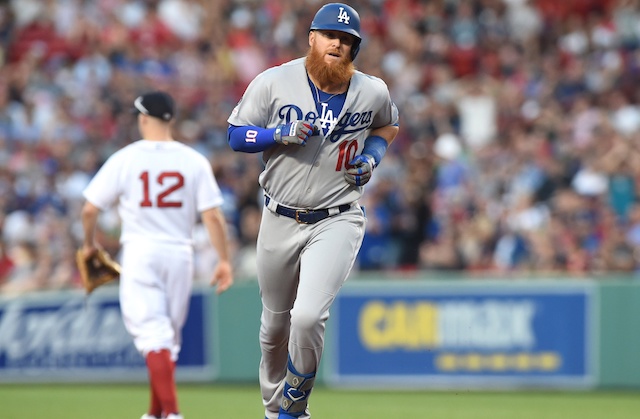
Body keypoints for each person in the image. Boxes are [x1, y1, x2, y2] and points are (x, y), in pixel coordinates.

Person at [227, 3, 399, 418]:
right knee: (273, 329)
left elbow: (387, 125)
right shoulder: (274, 81)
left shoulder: (371, 90)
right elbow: (235, 134)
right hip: (280, 216)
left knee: (306, 318)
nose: (337, 44)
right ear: (312, 38)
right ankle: (275, 411)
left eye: (346, 40)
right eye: (329, 36)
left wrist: (372, 159)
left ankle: (293, 408)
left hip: (337, 216)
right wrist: (276, 133)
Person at [79, 90, 234, 419]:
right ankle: (155, 413)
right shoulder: (194, 160)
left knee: (154, 336)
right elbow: (212, 216)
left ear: (143, 118)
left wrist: (89, 245)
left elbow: (90, 210)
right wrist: (223, 260)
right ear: (171, 120)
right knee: (166, 339)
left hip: (140, 251)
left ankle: (172, 413)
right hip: (180, 254)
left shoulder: (126, 158)